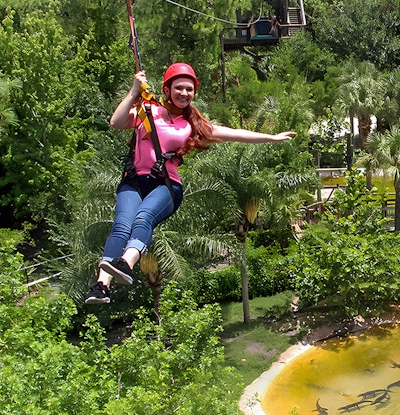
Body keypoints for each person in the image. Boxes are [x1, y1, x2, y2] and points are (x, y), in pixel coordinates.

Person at [85, 62, 295, 304]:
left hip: (166, 186)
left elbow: (234, 133)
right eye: (179, 88)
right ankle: (101, 286)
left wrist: (271, 137)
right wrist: (133, 91)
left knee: (143, 218)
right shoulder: (147, 111)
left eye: (189, 89)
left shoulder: (191, 124)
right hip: (133, 181)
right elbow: (116, 121)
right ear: (167, 89)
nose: (184, 93)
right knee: (121, 224)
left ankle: (127, 263)